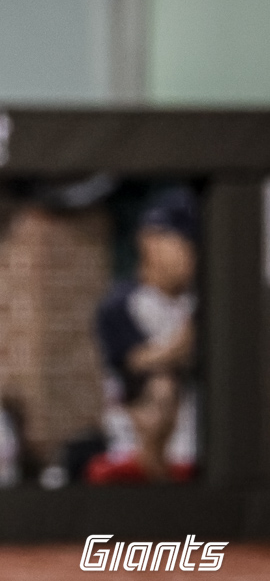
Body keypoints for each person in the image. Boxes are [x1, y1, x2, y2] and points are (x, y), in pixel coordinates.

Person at [93, 187, 198, 483]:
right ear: (150, 240)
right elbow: (138, 363)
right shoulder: (124, 303)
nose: (191, 253)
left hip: (195, 453)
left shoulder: (194, 302)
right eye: (183, 241)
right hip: (133, 455)